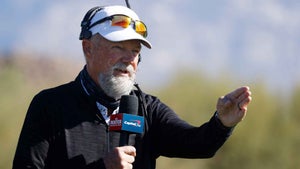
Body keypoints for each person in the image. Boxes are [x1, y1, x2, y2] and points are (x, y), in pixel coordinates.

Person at [13, 5, 252, 169]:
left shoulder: (147, 109)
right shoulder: (49, 106)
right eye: (118, 47)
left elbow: (198, 143)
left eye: (135, 51)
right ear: (88, 49)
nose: (129, 59)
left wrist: (222, 123)